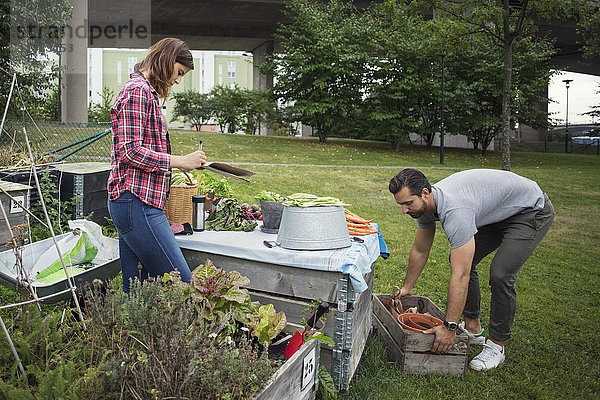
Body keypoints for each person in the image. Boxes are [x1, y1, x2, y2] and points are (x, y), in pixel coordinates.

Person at [389, 168, 554, 371]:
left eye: (408, 203)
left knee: (500, 274)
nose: (404, 210)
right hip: (494, 213)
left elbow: (461, 275)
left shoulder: (456, 211)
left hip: (528, 210)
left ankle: (496, 346)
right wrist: (408, 286)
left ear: (425, 193)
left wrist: (450, 327)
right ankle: (473, 327)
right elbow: (421, 249)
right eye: (401, 204)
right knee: (460, 258)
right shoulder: (424, 207)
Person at [107, 38, 206, 293]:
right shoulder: (137, 91)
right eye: (179, 72)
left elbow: (142, 148)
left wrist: (177, 164)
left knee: (139, 292)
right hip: (136, 203)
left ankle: (128, 334)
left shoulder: (145, 91)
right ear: (167, 60)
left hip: (136, 203)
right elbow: (129, 151)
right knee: (181, 284)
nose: (178, 80)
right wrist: (178, 161)